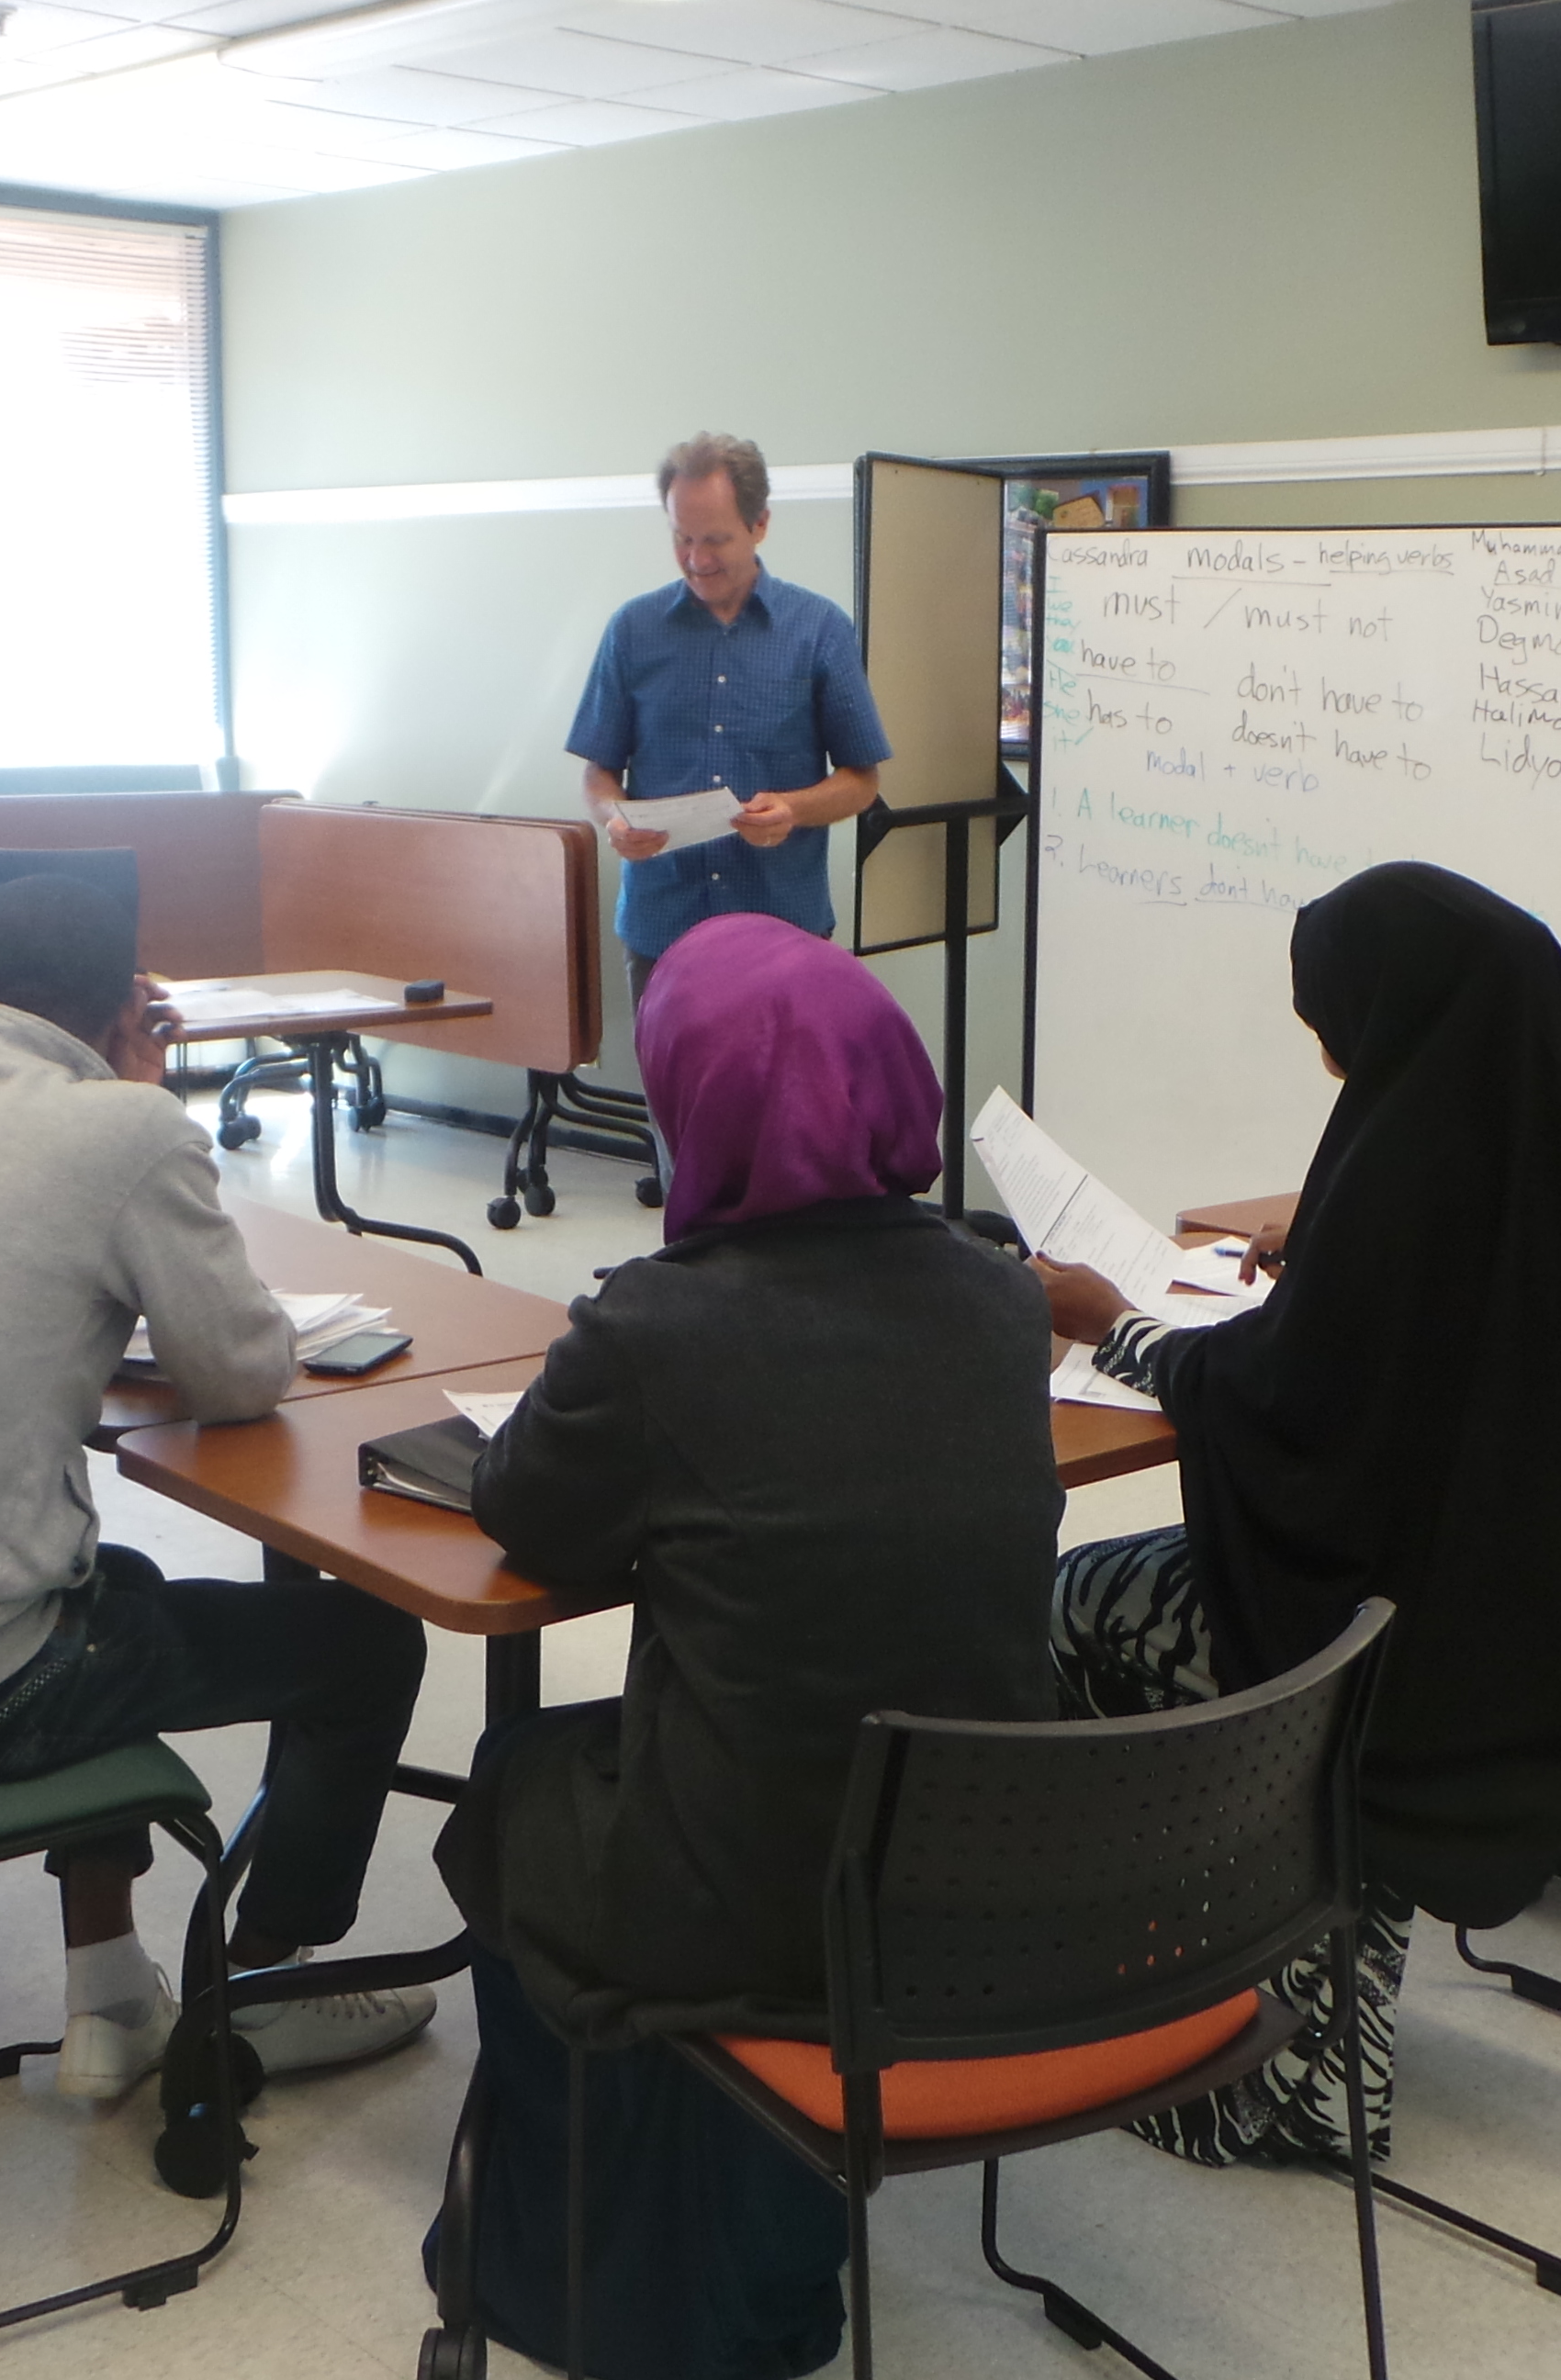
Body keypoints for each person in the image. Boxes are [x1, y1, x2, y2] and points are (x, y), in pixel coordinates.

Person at [1032, 862, 1561, 2170]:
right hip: (1558, 1618)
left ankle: (1227, 2039)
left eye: (1335, 1025)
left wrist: (1107, 1324)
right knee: (1271, 1635)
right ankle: (1274, 1996)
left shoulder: (1414, 1168)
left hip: (1418, 1650)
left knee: (1075, 1606)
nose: (1337, 1061)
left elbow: (1288, 1405)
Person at [428, 912, 1060, 2378]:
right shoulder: (996, 1295)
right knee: (593, 1775)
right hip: (988, 1870)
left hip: (767, 1900)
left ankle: (579, 2257)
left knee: (514, 1782)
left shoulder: (660, 1323)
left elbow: (534, 1514)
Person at [0, 874, 437, 2097]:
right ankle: (256, 1996)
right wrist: (144, 1113)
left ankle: (111, 2000)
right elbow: (241, 1374)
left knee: (106, 1592)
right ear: (129, 1003)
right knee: (366, 1641)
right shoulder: (128, 1131)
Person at [567, 433, 891, 1017]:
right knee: (675, 1110)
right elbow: (598, 773)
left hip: (780, 931)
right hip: (662, 930)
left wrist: (793, 810)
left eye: (715, 539)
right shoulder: (632, 630)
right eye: (682, 538)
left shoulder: (819, 629)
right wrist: (614, 818)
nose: (696, 558)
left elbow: (861, 780)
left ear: (759, 524)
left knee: (786, 1108)